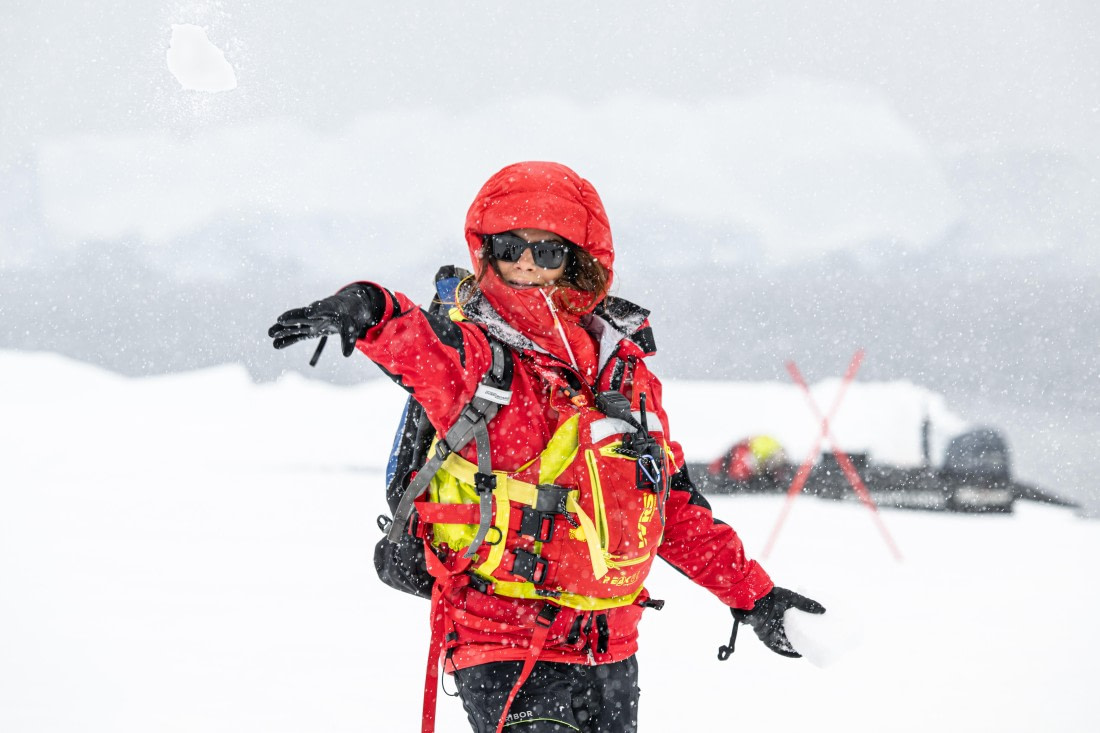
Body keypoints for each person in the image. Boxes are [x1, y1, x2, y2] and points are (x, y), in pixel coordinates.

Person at [268, 161, 824, 733]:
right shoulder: (481, 359)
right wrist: (368, 309)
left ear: (579, 260)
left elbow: (670, 509)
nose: (527, 262)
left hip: (610, 650)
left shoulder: (623, 371)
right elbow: (421, 345)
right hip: (501, 641)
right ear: (487, 252)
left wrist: (755, 598)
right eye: (509, 246)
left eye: (548, 250)